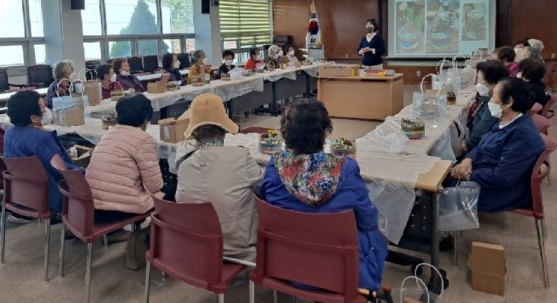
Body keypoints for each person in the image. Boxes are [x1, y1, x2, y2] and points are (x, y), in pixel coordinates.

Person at [261, 99, 387, 291]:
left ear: (285, 133)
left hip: (288, 266)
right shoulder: (347, 169)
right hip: (340, 272)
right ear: (325, 132)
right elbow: (367, 220)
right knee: (373, 231)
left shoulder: (273, 168)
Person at [175, 93, 262, 262]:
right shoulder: (240, 156)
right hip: (237, 245)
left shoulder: (183, 164)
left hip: (196, 243)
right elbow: (263, 187)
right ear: (224, 131)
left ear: (194, 132)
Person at [450, 78, 546, 211]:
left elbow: (502, 178)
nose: (490, 101)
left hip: (498, 193)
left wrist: (467, 175)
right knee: (440, 171)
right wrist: (468, 160)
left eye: (494, 96)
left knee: (434, 185)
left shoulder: (522, 136)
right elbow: (481, 144)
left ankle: (435, 227)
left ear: (508, 102)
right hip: (482, 173)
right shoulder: (505, 121)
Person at [3, 90, 84, 214]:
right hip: (49, 196)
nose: (46, 110)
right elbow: (63, 170)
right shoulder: (41, 138)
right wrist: (86, 172)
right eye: (43, 108)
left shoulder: (9, 133)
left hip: (20, 194)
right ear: (34, 117)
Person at [86, 94, 164, 213]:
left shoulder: (108, 135)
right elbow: (154, 186)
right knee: (170, 192)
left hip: (93, 204)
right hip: (122, 207)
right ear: (145, 119)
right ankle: (158, 230)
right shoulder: (144, 140)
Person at [461, 60, 509, 154]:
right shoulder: (487, 97)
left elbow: (481, 130)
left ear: (492, 84)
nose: (477, 84)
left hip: (478, 149)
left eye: (479, 80)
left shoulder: (494, 105)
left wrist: (467, 144)